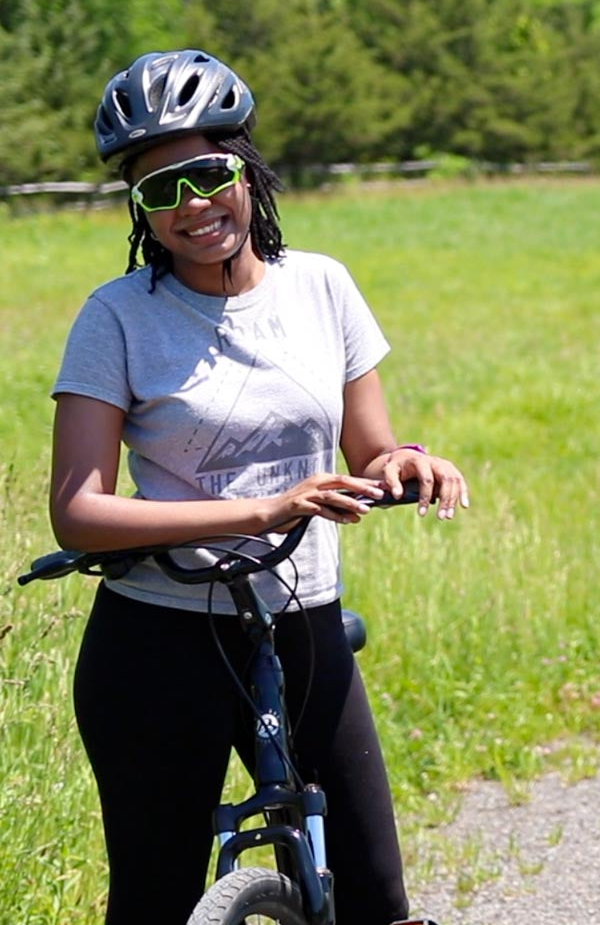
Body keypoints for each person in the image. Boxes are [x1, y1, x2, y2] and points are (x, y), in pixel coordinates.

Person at [50, 48, 469, 925]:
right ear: (139, 211)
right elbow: (79, 512)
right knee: (154, 899)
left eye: (208, 174)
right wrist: (264, 508)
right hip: (157, 640)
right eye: (159, 191)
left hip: (301, 620)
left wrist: (404, 463)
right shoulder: (117, 317)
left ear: (249, 170)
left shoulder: (323, 287)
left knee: (375, 896)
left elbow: (371, 445)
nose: (192, 206)